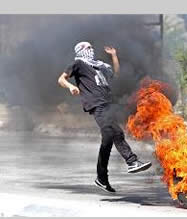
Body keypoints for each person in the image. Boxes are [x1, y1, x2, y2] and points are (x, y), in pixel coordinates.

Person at [58, 41, 151, 193]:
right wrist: (71, 87)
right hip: (96, 104)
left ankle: (101, 178)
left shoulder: (99, 65)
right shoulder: (78, 63)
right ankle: (131, 161)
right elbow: (61, 79)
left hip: (108, 103)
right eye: (88, 47)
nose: (91, 49)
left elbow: (116, 74)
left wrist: (114, 56)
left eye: (91, 47)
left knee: (108, 138)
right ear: (80, 50)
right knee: (115, 133)